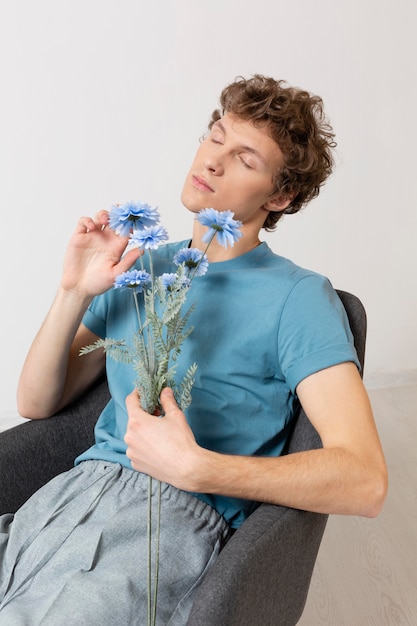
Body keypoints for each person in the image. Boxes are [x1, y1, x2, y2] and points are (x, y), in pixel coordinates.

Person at [0, 74, 387, 625]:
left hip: (170, 523)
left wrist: (200, 469)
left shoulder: (298, 298)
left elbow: (365, 480)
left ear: (279, 196)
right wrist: (73, 293)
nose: (212, 160)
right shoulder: (147, 266)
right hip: (67, 498)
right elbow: (37, 402)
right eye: (215, 136)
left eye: (245, 158)